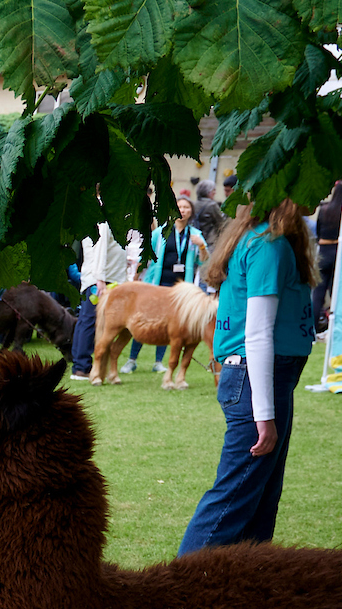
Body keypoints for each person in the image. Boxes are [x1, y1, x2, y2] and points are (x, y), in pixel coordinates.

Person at [176, 200, 321, 556]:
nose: (320, 191)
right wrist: (264, 415)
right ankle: (178, 593)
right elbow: (257, 335)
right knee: (234, 499)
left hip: (266, 379)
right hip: (257, 380)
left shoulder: (266, 241)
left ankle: (243, 589)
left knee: (258, 499)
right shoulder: (266, 246)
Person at [126, 200, 208, 374]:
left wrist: (201, 245)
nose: (183, 210)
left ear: (191, 212)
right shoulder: (160, 232)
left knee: (169, 326)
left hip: (180, 291)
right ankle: (131, 360)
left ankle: (158, 362)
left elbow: (204, 260)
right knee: (145, 320)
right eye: (179, 207)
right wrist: (136, 277)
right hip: (156, 285)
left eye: (187, 207)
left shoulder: (195, 234)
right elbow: (145, 253)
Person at [72, 222, 139, 379]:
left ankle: (82, 365)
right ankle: (82, 367)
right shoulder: (104, 219)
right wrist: (100, 279)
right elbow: (99, 249)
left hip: (108, 278)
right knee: (90, 320)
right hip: (101, 280)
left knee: (88, 319)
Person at [314, 176, 342, 330]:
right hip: (338, 252)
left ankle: (313, 326)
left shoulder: (324, 209)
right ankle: (335, 326)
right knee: (335, 293)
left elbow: (318, 232)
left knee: (318, 293)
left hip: (323, 251)